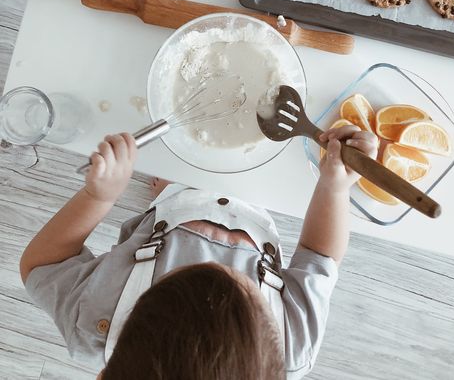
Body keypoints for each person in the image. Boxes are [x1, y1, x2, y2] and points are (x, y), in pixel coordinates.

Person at [20, 125, 378, 379]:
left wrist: (100, 196)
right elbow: (319, 256)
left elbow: (41, 264)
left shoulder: (94, 322)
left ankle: (172, 192)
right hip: (259, 199)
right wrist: (334, 186)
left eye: (182, 267)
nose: (209, 257)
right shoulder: (293, 351)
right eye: (236, 280)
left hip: (173, 204)